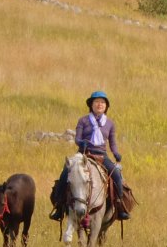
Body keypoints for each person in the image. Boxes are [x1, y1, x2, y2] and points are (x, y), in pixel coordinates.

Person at [49, 91, 129, 221]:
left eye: (102, 102)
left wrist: (116, 153)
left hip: (102, 155)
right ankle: (59, 205)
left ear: (106, 106)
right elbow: (77, 139)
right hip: (83, 154)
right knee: (65, 172)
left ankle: (120, 206)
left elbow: (112, 143)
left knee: (117, 175)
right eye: (96, 102)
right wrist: (81, 142)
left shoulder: (110, 123)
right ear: (91, 105)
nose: (99, 104)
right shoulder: (83, 120)